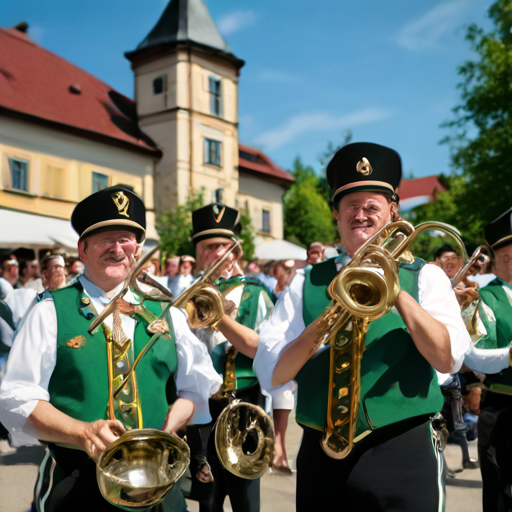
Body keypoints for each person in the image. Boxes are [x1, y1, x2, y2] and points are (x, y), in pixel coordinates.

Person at [254, 142, 472, 512]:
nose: (362, 215)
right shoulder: (305, 281)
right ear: (336, 215)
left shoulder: (427, 276)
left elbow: (448, 358)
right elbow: (272, 373)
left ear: (393, 211)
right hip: (320, 453)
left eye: (373, 206)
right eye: (351, 206)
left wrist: (396, 290)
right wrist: (324, 321)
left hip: (402, 449)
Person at [0, 186, 222, 512]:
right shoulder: (49, 311)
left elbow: (196, 389)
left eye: (126, 239)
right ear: (83, 248)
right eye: (105, 239)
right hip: (78, 485)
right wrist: (81, 432)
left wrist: (168, 428)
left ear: (137, 248)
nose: (117, 249)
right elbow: (17, 396)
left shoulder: (168, 313)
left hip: (160, 485)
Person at [185, 203, 294, 512]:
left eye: (224, 246)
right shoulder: (187, 296)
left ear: (235, 253)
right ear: (199, 253)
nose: (217, 253)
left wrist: (217, 316)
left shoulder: (256, 292)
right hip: (201, 410)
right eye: (209, 247)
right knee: (207, 499)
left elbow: (262, 349)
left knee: (246, 500)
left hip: (244, 409)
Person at [470, 207, 512, 512]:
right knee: (500, 492)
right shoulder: (487, 297)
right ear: (494, 262)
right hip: (502, 409)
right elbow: (477, 356)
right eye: (506, 258)